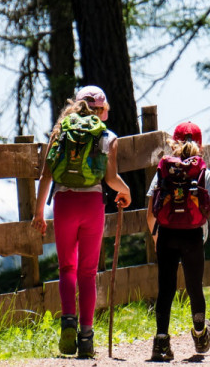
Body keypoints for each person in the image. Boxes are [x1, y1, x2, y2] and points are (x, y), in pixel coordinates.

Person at [31, 85, 131, 359]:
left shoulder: (60, 131)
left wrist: (39, 213)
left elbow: (46, 176)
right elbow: (110, 179)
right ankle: (86, 336)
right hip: (92, 205)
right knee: (88, 272)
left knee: (67, 268)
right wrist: (126, 191)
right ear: (103, 110)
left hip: (64, 203)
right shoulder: (107, 137)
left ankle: (67, 322)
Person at [145, 121, 210, 361]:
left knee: (166, 289)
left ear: (173, 143)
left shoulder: (163, 172)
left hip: (167, 234)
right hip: (193, 236)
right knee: (194, 287)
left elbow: (151, 211)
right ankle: (201, 334)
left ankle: (161, 342)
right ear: (200, 145)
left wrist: (155, 236)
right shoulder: (204, 173)